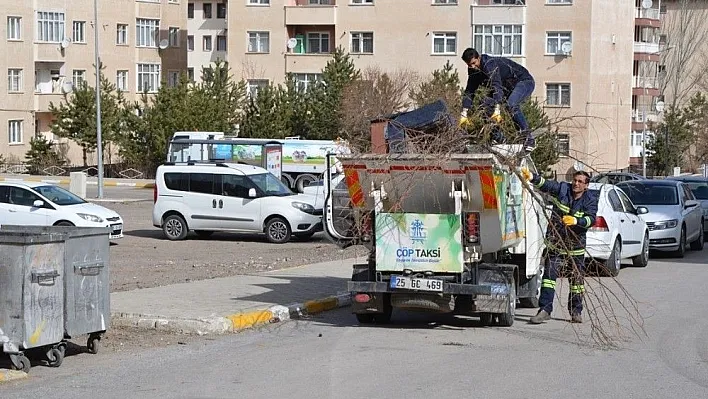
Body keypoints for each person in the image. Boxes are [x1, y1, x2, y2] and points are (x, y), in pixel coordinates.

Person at [519, 168, 598, 324]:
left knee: (576, 281)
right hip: (556, 242)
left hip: (575, 245)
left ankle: (576, 311)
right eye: (575, 180)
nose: (576, 183)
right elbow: (547, 185)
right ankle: (545, 310)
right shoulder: (563, 189)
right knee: (549, 278)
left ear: (586, 186)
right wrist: (533, 177)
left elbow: (591, 219)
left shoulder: (590, 199)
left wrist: (577, 221)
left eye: (580, 182)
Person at [460, 48, 536, 152]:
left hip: (524, 81)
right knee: (484, 105)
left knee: (511, 104)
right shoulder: (473, 71)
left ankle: (528, 138)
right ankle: (500, 138)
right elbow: (470, 90)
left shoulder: (489, 64)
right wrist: (464, 111)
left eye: (474, 63)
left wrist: (497, 108)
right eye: (469, 65)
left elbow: (496, 85)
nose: (473, 67)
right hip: (507, 89)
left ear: (479, 57)